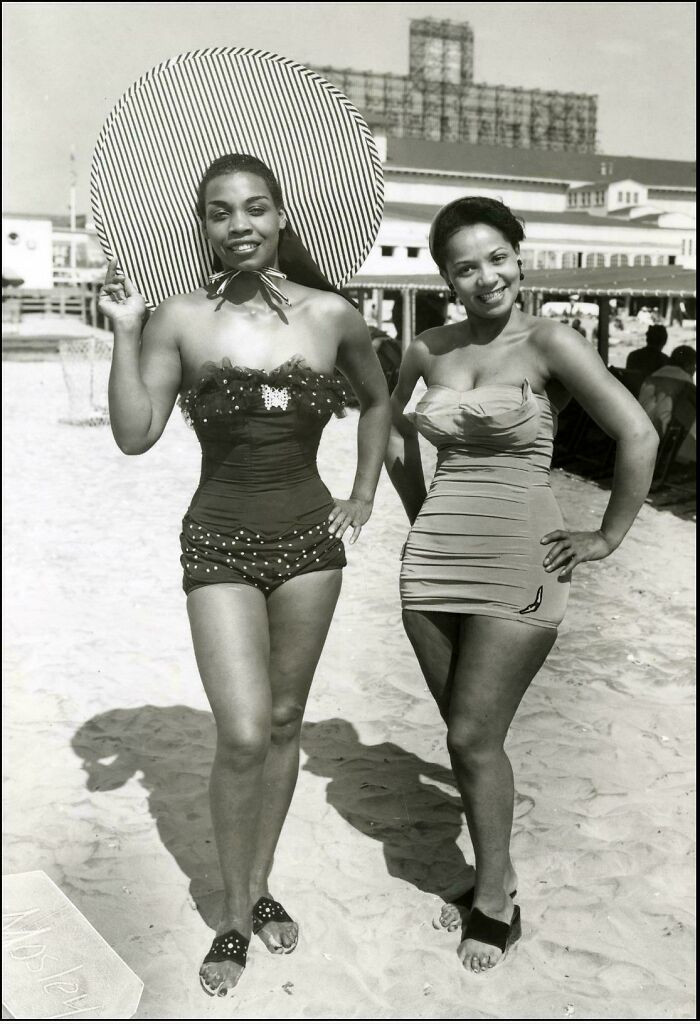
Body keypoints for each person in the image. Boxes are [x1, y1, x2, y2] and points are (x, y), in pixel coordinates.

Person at [99, 153, 390, 997]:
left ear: (280, 216)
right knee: (243, 733)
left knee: (289, 718)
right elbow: (134, 432)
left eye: (256, 208)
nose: (241, 225)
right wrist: (124, 327)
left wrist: (364, 491)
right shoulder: (179, 318)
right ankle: (231, 914)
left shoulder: (333, 314)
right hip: (219, 541)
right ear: (204, 227)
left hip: (310, 543)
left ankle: (260, 887)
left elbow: (378, 399)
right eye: (222, 212)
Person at [385, 196, 658, 975]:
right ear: (446, 277)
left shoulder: (550, 342)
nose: (486, 276)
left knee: (471, 736)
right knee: (470, 739)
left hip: (522, 559)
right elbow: (398, 433)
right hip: (434, 560)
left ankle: (496, 902)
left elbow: (636, 433)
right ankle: (494, 870)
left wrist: (606, 536)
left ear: (519, 255)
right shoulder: (426, 349)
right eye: (466, 266)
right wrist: (418, 516)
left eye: (497, 257)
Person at [638, 344, 696, 440]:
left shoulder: (649, 379)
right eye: (694, 365)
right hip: (667, 444)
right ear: (687, 365)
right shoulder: (687, 387)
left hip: (641, 435)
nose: (694, 369)